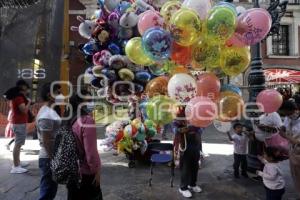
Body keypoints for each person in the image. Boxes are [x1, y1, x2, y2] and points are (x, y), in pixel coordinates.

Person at [66, 90, 102, 200]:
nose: (92, 104)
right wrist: (96, 170)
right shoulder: (87, 121)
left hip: (71, 170)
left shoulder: (69, 119)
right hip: (85, 172)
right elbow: (90, 152)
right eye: (89, 101)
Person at [36, 83, 62, 200]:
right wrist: (54, 160)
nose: (60, 95)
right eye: (58, 92)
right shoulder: (46, 114)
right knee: (47, 192)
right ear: (50, 95)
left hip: (51, 157)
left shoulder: (49, 111)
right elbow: (47, 141)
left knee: (50, 191)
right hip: (48, 158)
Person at [173, 106, 202, 198]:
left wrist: (198, 130)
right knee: (185, 167)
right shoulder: (178, 117)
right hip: (184, 145)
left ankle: (192, 184)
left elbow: (201, 129)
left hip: (195, 144)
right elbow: (174, 129)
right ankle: (183, 188)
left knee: (195, 165)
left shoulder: (197, 117)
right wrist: (182, 129)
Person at [278, 100, 300, 193]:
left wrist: (285, 136)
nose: (287, 116)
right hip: (293, 151)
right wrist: (283, 128)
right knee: (296, 174)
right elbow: (285, 126)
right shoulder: (288, 118)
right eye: (285, 114)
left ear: (294, 110)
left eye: (287, 113)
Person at [10, 80, 31, 174]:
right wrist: (29, 102)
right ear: (22, 87)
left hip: (19, 123)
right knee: (18, 145)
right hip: (19, 123)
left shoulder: (18, 97)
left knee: (19, 144)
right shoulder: (19, 98)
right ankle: (15, 166)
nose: (27, 90)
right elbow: (24, 110)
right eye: (26, 88)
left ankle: (17, 162)